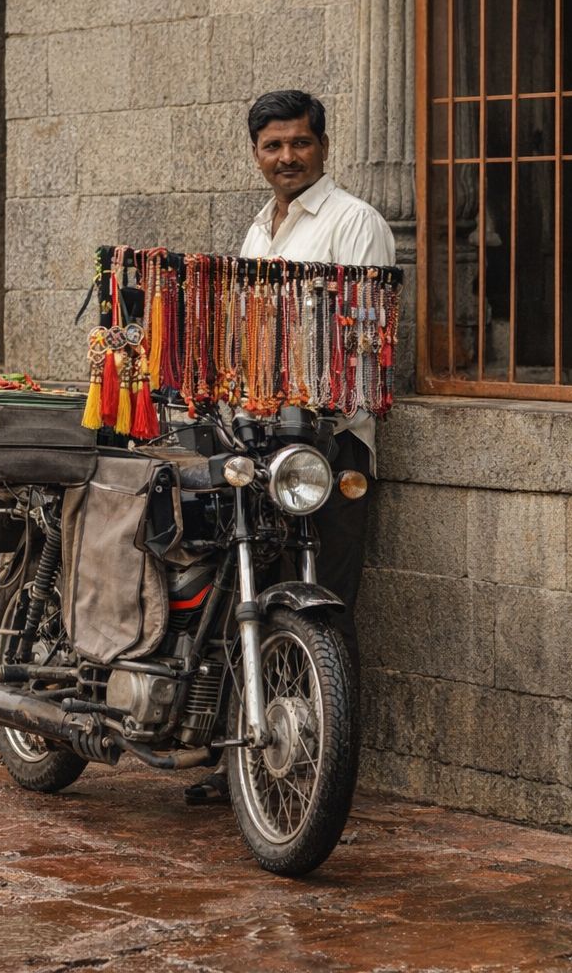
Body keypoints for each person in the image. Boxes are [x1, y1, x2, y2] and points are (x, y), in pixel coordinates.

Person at [186, 90, 395, 805]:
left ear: (324, 147)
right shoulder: (259, 231)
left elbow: (367, 345)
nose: (286, 158)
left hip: (325, 451)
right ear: (256, 154)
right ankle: (247, 757)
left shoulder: (354, 224)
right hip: (257, 441)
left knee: (322, 602)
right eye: (272, 147)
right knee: (251, 587)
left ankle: (324, 777)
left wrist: (308, 409)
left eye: (299, 144)